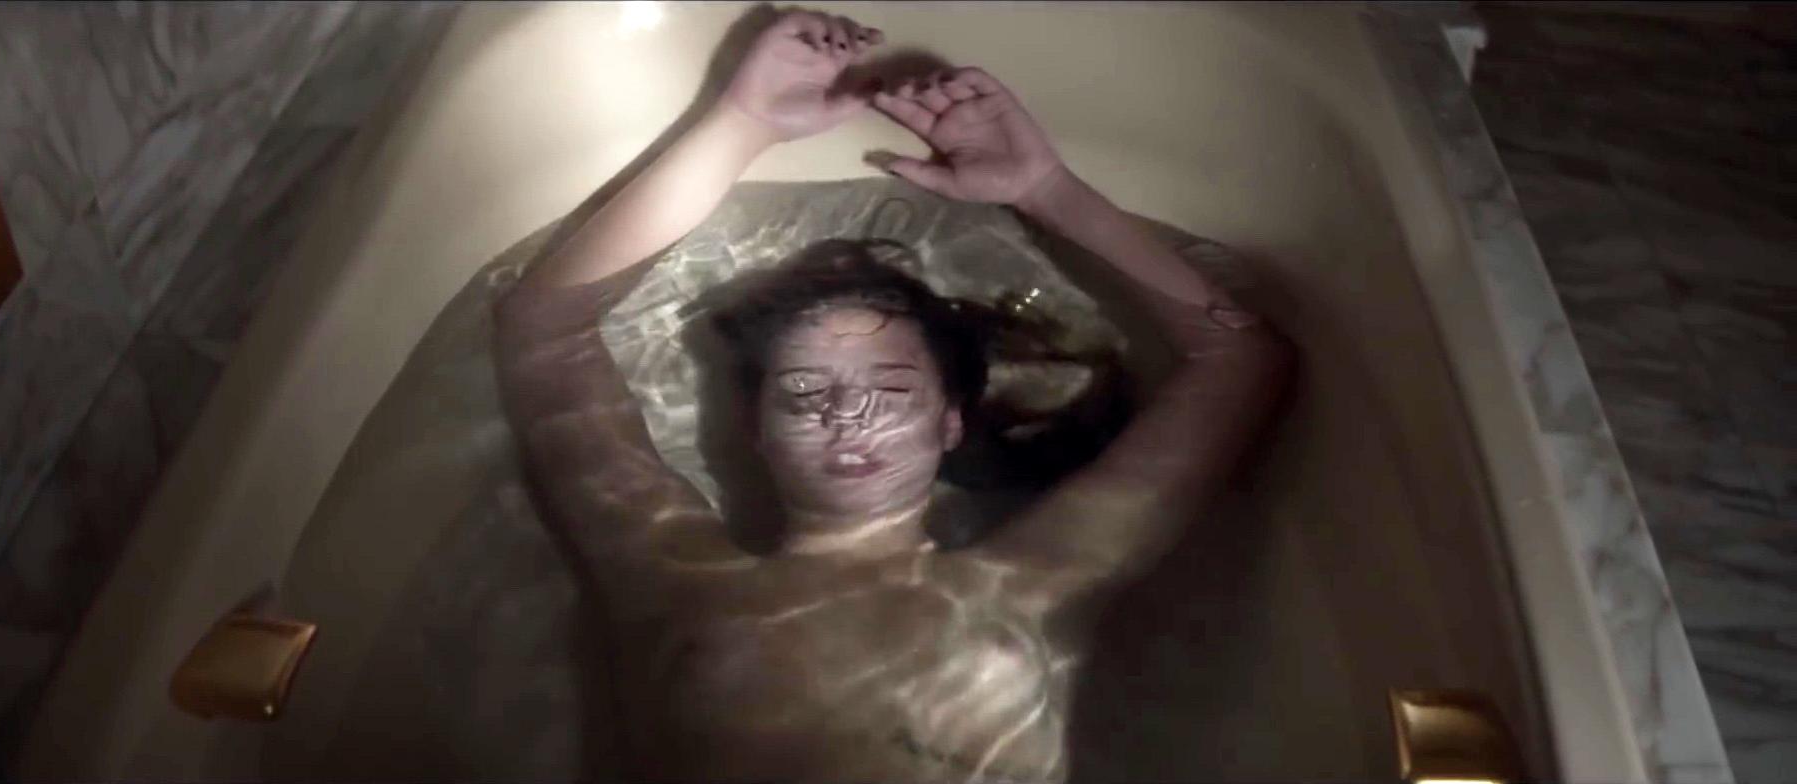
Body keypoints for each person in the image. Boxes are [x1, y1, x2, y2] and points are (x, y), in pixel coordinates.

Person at [493, 9, 1293, 782]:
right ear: (756, 427)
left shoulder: (1045, 576)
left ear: (950, 423)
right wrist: (740, 125)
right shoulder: (667, 569)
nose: (847, 413)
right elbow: (543, 328)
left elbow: (1239, 359)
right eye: (803, 389)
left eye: (892, 385)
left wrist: (1048, 187)